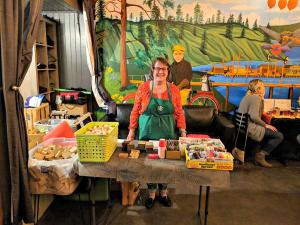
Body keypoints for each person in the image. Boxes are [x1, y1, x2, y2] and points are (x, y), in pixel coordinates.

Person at [127, 57, 186, 209]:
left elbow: (179, 112)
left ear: (168, 71)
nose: (161, 71)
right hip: (147, 134)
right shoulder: (143, 88)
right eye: (158, 68)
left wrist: (183, 132)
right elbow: (135, 111)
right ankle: (152, 192)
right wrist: (131, 132)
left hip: (167, 133)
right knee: (150, 164)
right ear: (152, 70)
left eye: (164, 69)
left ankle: (164, 192)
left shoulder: (174, 90)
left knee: (166, 164)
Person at [234, 79, 284, 168]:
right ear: (258, 88)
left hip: (243, 126)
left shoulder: (248, 96)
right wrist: (265, 125)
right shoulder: (256, 98)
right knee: (279, 135)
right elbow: (253, 116)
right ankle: (260, 156)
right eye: (263, 86)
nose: (265, 88)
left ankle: (258, 154)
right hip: (251, 128)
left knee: (271, 130)